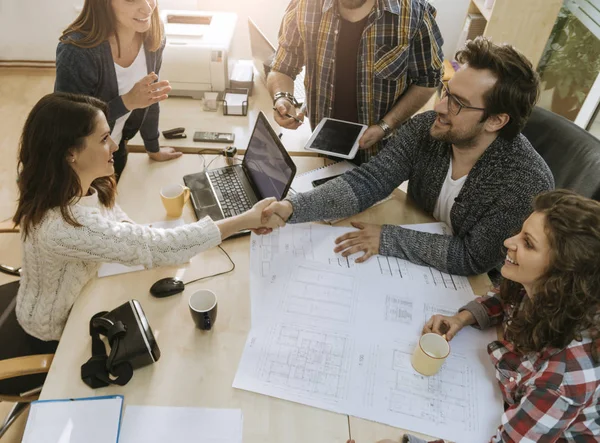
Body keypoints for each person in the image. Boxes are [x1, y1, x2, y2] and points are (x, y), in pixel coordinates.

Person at [261, 37, 554, 276]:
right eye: (446, 93)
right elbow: (372, 179)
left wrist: (388, 238)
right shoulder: (428, 127)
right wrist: (292, 207)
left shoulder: (524, 183)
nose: (439, 107)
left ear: (495, 121)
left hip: (472, 288)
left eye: (457, 104)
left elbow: (472, 259)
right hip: (420, 252)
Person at [12, 92, 282, 342]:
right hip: (55, 328)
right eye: (104, 139)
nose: (115, 146)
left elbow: (115, 220)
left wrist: (130, 240)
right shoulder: (62, 225)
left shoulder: (75, 184)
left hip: (85, 294)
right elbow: (159, 248)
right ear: (71, 153)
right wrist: (245, 220)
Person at [417, 190, 600, 441]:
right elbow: (506, 297)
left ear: (562, 275)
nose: (508, 242)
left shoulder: (563, 376)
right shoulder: (547, 292)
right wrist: (463, 319)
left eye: (528, 243)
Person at [269, 0, 444, 164]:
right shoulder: (305, 5)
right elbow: (282, 67)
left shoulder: (413, 12)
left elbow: (429, 80)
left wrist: (385, 126)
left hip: (383, 154)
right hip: (322, 146)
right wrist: (282, 98)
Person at [55, 0, 180, 179]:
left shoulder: (151, 34)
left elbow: (149, 98)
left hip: (115, 151)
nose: (147, 7)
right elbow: (70, 126)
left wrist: (153, 147)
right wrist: (127, 102)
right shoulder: (77, 51)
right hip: (77, 166)